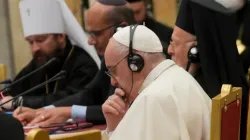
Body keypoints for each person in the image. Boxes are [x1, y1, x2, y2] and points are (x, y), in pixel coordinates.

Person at [13, 0, 137, 126]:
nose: (90, 41)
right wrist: (42, 111)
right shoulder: (110, 58)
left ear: (121, 29)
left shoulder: (139, 59)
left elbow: (119, 110)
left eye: (96, 34)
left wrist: (69, 112)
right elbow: (88, 95)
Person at [102, 25, 211, 140]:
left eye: (113, 70)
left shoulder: (153, 98)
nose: (113, 81)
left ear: (135, 63)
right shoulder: (181, 77)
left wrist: (114, 130)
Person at [168, 0, 248, 139]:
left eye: (174, 43)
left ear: (196, 51)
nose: (169, 50)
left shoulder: (193, 101)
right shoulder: (237, 87)